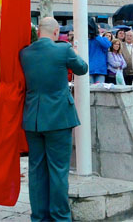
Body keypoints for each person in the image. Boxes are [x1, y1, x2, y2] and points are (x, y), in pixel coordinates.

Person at [19, 17, 88, 221]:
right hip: (58, 118)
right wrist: (74, 52)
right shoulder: (63, 50)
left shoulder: (25, 53)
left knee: (36, 170)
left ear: (39, 31)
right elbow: (82, 69)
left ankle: (39, 217)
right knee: (58, 171)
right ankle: (60, 217)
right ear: (57, 32)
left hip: (33, 118)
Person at [88, 17, 111, 84]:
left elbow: (107, 45)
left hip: (100, 70)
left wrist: (96, 35)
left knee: (99, 91)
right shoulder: (87, 41)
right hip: (89, 70)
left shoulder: (102, 39)